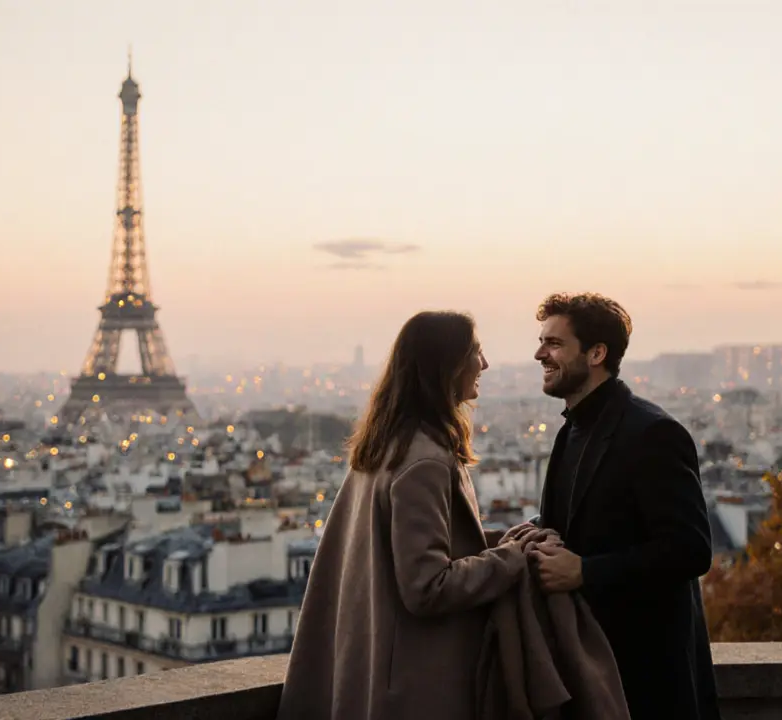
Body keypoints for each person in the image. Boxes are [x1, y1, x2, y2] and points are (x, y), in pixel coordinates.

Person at [277, 310, 528, 720]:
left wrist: (499, 540)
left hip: (373, 668)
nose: (484, 364)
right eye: (476, 353)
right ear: (446, 366)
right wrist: (512, 558)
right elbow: (427, 586)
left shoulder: (387, 444)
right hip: (416, 684)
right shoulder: (425, 460)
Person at [507, 292, 723, 720]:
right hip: (593, 669)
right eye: (541, 341)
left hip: (645, 677)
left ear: (596, 353)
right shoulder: (572, 432)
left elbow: (690, 549)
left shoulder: (652, 433)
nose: (539, 354)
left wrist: (585, 571)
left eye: (553, 343)